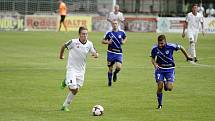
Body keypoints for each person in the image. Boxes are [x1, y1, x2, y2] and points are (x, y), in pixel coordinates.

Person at [59, 27, 98, 111]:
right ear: (79, 34)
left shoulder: (89, 44)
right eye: (83, 34)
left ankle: (65, 106)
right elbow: (63, 46)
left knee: (76, 90)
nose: (85, 35)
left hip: (81, 71)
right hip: (71, 69)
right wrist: (61, 55)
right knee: (73, 88)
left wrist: (96, 55)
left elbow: (94, 52)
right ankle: (66, 81)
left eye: (86, 34)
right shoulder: (73, 42)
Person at [151, 35, 192, 110]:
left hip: (170, 69)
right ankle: (160, 105)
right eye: (159, 43)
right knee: (160, 86)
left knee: (169, 88)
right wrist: (154, 64)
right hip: (160, 69)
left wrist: (187, 57)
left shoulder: (171, 46)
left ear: (165, 42)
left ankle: (166, 83)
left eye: (162, 43)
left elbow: (181, 47)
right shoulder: (154, 48)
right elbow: (153, 58)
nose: (160, 45)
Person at [102, 20, 127, 87]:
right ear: (111, 25)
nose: (114, 25)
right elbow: (102, 41)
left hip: (118, 53)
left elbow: (125, 37)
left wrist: (124, 42)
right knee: (110, 68)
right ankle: (109, 81)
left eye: (116, 23)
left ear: (118, 24)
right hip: (110, 53)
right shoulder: (109, 33)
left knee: (119, 67)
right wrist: (107, 42)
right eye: (113, 24)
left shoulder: (122, 32)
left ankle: (115, 73)